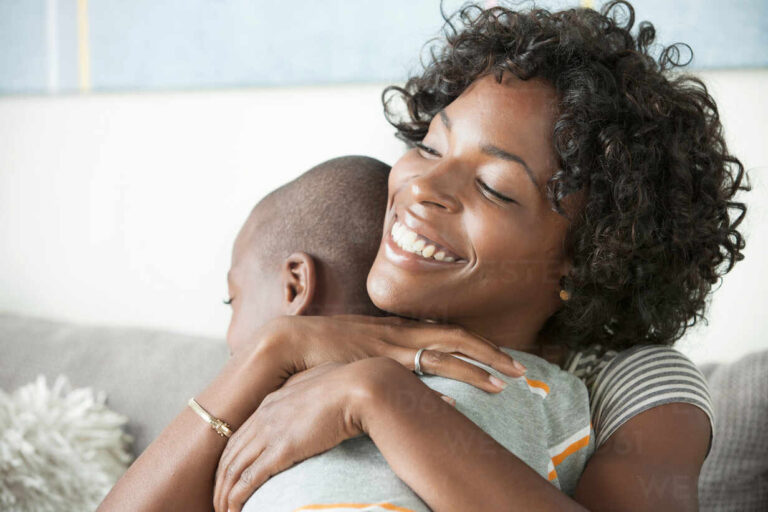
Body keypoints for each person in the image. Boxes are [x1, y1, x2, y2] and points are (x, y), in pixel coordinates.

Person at [106, 1, 749, 511]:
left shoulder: (628, 384)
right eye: (431, 147)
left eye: (494, 187)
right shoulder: (329, 327)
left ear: (590, 257)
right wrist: (277, 347)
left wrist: (376, 395)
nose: (422, 188)